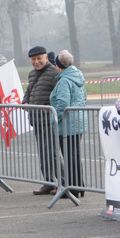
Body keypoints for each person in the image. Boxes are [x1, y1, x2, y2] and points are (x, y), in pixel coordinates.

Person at [50, 50, 88, 198]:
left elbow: (63, 103)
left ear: (58, 65)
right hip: (78, 121)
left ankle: (72, 188)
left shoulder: (64, 81)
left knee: (69, 156)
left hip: (67, 124)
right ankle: (79, 186)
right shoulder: (78, 77)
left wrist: (55, 118)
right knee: (74, 155)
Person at [21, 45, 59, 195]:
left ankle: (62, 182)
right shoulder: (32, 74)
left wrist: (51, 105)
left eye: (39, 58)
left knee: (52, 152)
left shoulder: (53, 72)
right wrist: (25, 102)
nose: (36, 62)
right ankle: (48, 182)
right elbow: (29, 91)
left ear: (46, 58)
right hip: (36, 119)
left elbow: (59, 93)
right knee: (43, 153)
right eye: (33, 59)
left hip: (49, 120)